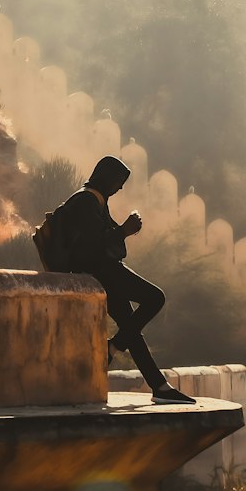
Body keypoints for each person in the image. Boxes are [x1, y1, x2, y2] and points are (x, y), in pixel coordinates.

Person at [64, 155, 195, 404]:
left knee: (130, 328)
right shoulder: (85, 201)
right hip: (100, 272)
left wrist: (125, 230)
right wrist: (124, 231)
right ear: (106, 178)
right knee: (155, 298)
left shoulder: (97, 201)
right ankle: (112, 349)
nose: (120, 187)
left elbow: (107, 236)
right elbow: (93, 247)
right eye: (118, 181)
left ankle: (159, 386)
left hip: (105, 269)